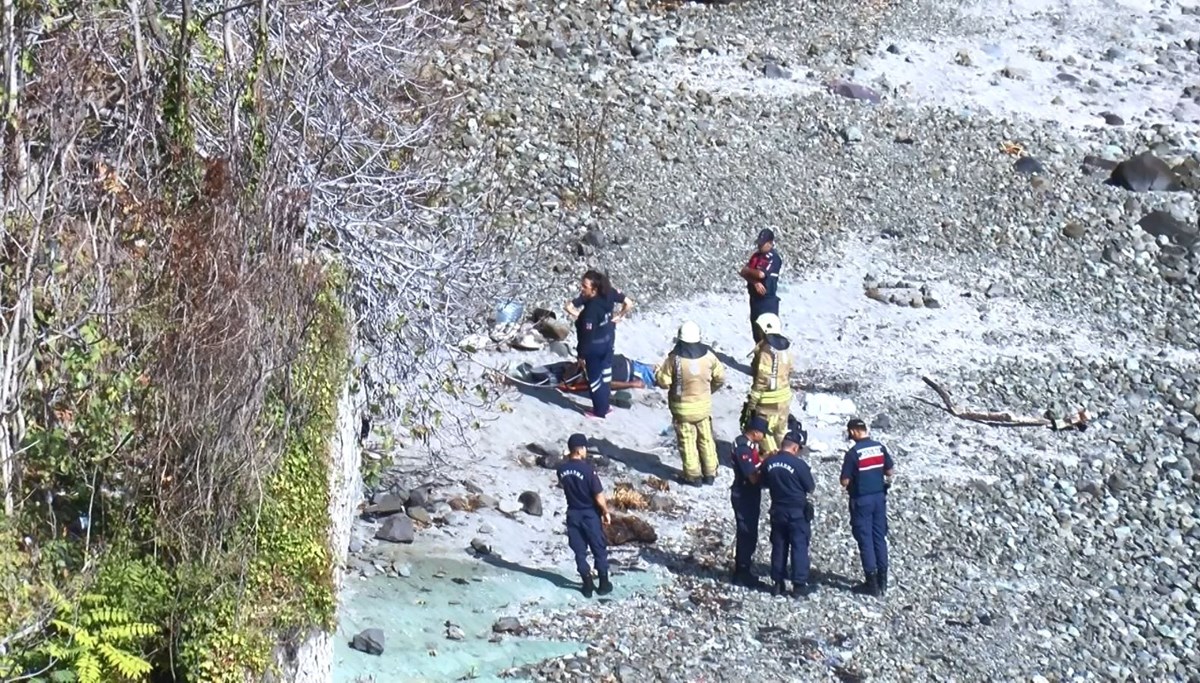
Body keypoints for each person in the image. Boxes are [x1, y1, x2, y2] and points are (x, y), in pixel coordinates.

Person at [653, 321, 727, 486]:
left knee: (687, 442)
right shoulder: (709, 356)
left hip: (682, 409)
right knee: (706, 439)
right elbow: (720, 377)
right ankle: (710, 473)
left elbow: (664, 381)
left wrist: (657, 372)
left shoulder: (675, 359)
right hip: (703, 407)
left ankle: (693, 477)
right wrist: (709, 391)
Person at [564, 270, 635, 418]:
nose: (581, 289)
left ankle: (600, 411)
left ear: (594, 289)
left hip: (595, 348)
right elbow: (628, 303)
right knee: (606, 375)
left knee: (595, 380)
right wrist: (619, 316)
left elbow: (586, 338)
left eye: (584, 286)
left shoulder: (590, 312)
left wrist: (581, 356)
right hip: (609, 340)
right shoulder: (609, 293)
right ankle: (606, 404)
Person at [840, 418, 895, 597]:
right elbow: (889, 471)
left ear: (855, 431)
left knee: (865, 539)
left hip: (861, 499)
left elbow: (844, 481)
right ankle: (883, 581)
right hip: (879, 497)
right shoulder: (879, 447)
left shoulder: (854, 453)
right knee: (879, 537)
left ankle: (871, 584)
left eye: (850, 432)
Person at [556, 433, 614, 597]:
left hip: (573, 513)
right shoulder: (589, 471)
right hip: (589, 513)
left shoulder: (562, 470)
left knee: (579, 551)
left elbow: (564, 485)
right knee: (598, 548)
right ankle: (603, 584)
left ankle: (587, 585)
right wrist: (605, 512)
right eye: (585, 448)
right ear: (580, 449)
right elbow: (599, 496)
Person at [762, 427, 816, 598]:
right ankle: (799, 585)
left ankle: (778, 583)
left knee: (779, 545)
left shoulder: (769, 463)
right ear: (795, 448)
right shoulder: (799, 465)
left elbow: (763, 482)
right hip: (796, 512)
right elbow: (810, 487)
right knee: (799, 546)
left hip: (777, 509)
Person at [741, 312, 793, 453]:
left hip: (767, 403)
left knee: (765, 436)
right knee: (781, 432)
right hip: (784, 399)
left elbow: (762, 378)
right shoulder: (785, 348)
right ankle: (786, 459)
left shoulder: (765, 350)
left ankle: (772, 463)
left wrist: (753, 401)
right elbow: (790, 370)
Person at [729, 414, 769, 590]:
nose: (764, 436)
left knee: (750, 532)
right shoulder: (743, 448)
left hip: (749, 493)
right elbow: (751, 476)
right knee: (746, 532)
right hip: (744, 493)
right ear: (755, 432)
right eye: (763, 433)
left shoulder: (750, 445)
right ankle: (741, 571)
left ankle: (745, 567)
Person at [739, 228, 782, 343]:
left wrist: (748, 271)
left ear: (770, 243)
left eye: (762, 244)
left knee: (769, 333)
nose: (759, 246)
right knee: (757, 333)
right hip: (755, 299)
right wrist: (754, 282)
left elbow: (761, 274)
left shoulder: (774, 258)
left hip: (767, 301)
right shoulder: (756, 256)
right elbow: (743, 272)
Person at [554, 354, 655, 392]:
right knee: (659, 376)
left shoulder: (588, 366)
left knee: (657, 371)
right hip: (632, 372)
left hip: (631, 366)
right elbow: (609, 384)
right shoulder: (591, 375)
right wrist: (631, 384)